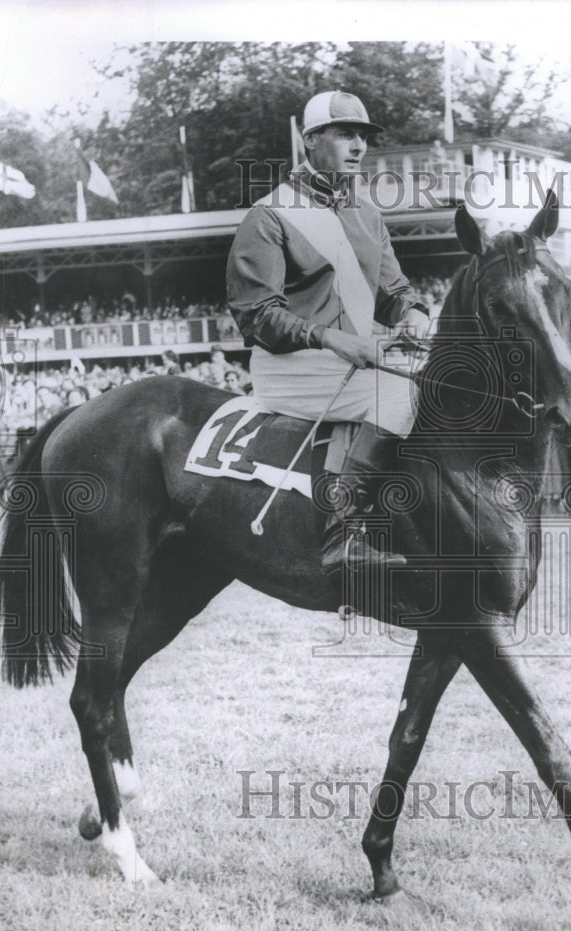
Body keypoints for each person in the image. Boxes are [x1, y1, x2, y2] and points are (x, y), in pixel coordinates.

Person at [226, 90, 430, 581]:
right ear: (311, 140)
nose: (358, 145)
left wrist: (415, 314)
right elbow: (255, 314)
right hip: (291, 366)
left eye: (363, 136)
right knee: (399, 393)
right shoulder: (269, 214)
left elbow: (394, 291)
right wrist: (329, 338)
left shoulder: (367, 214)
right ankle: (345, 534)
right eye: (345, 134)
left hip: (357, 357)